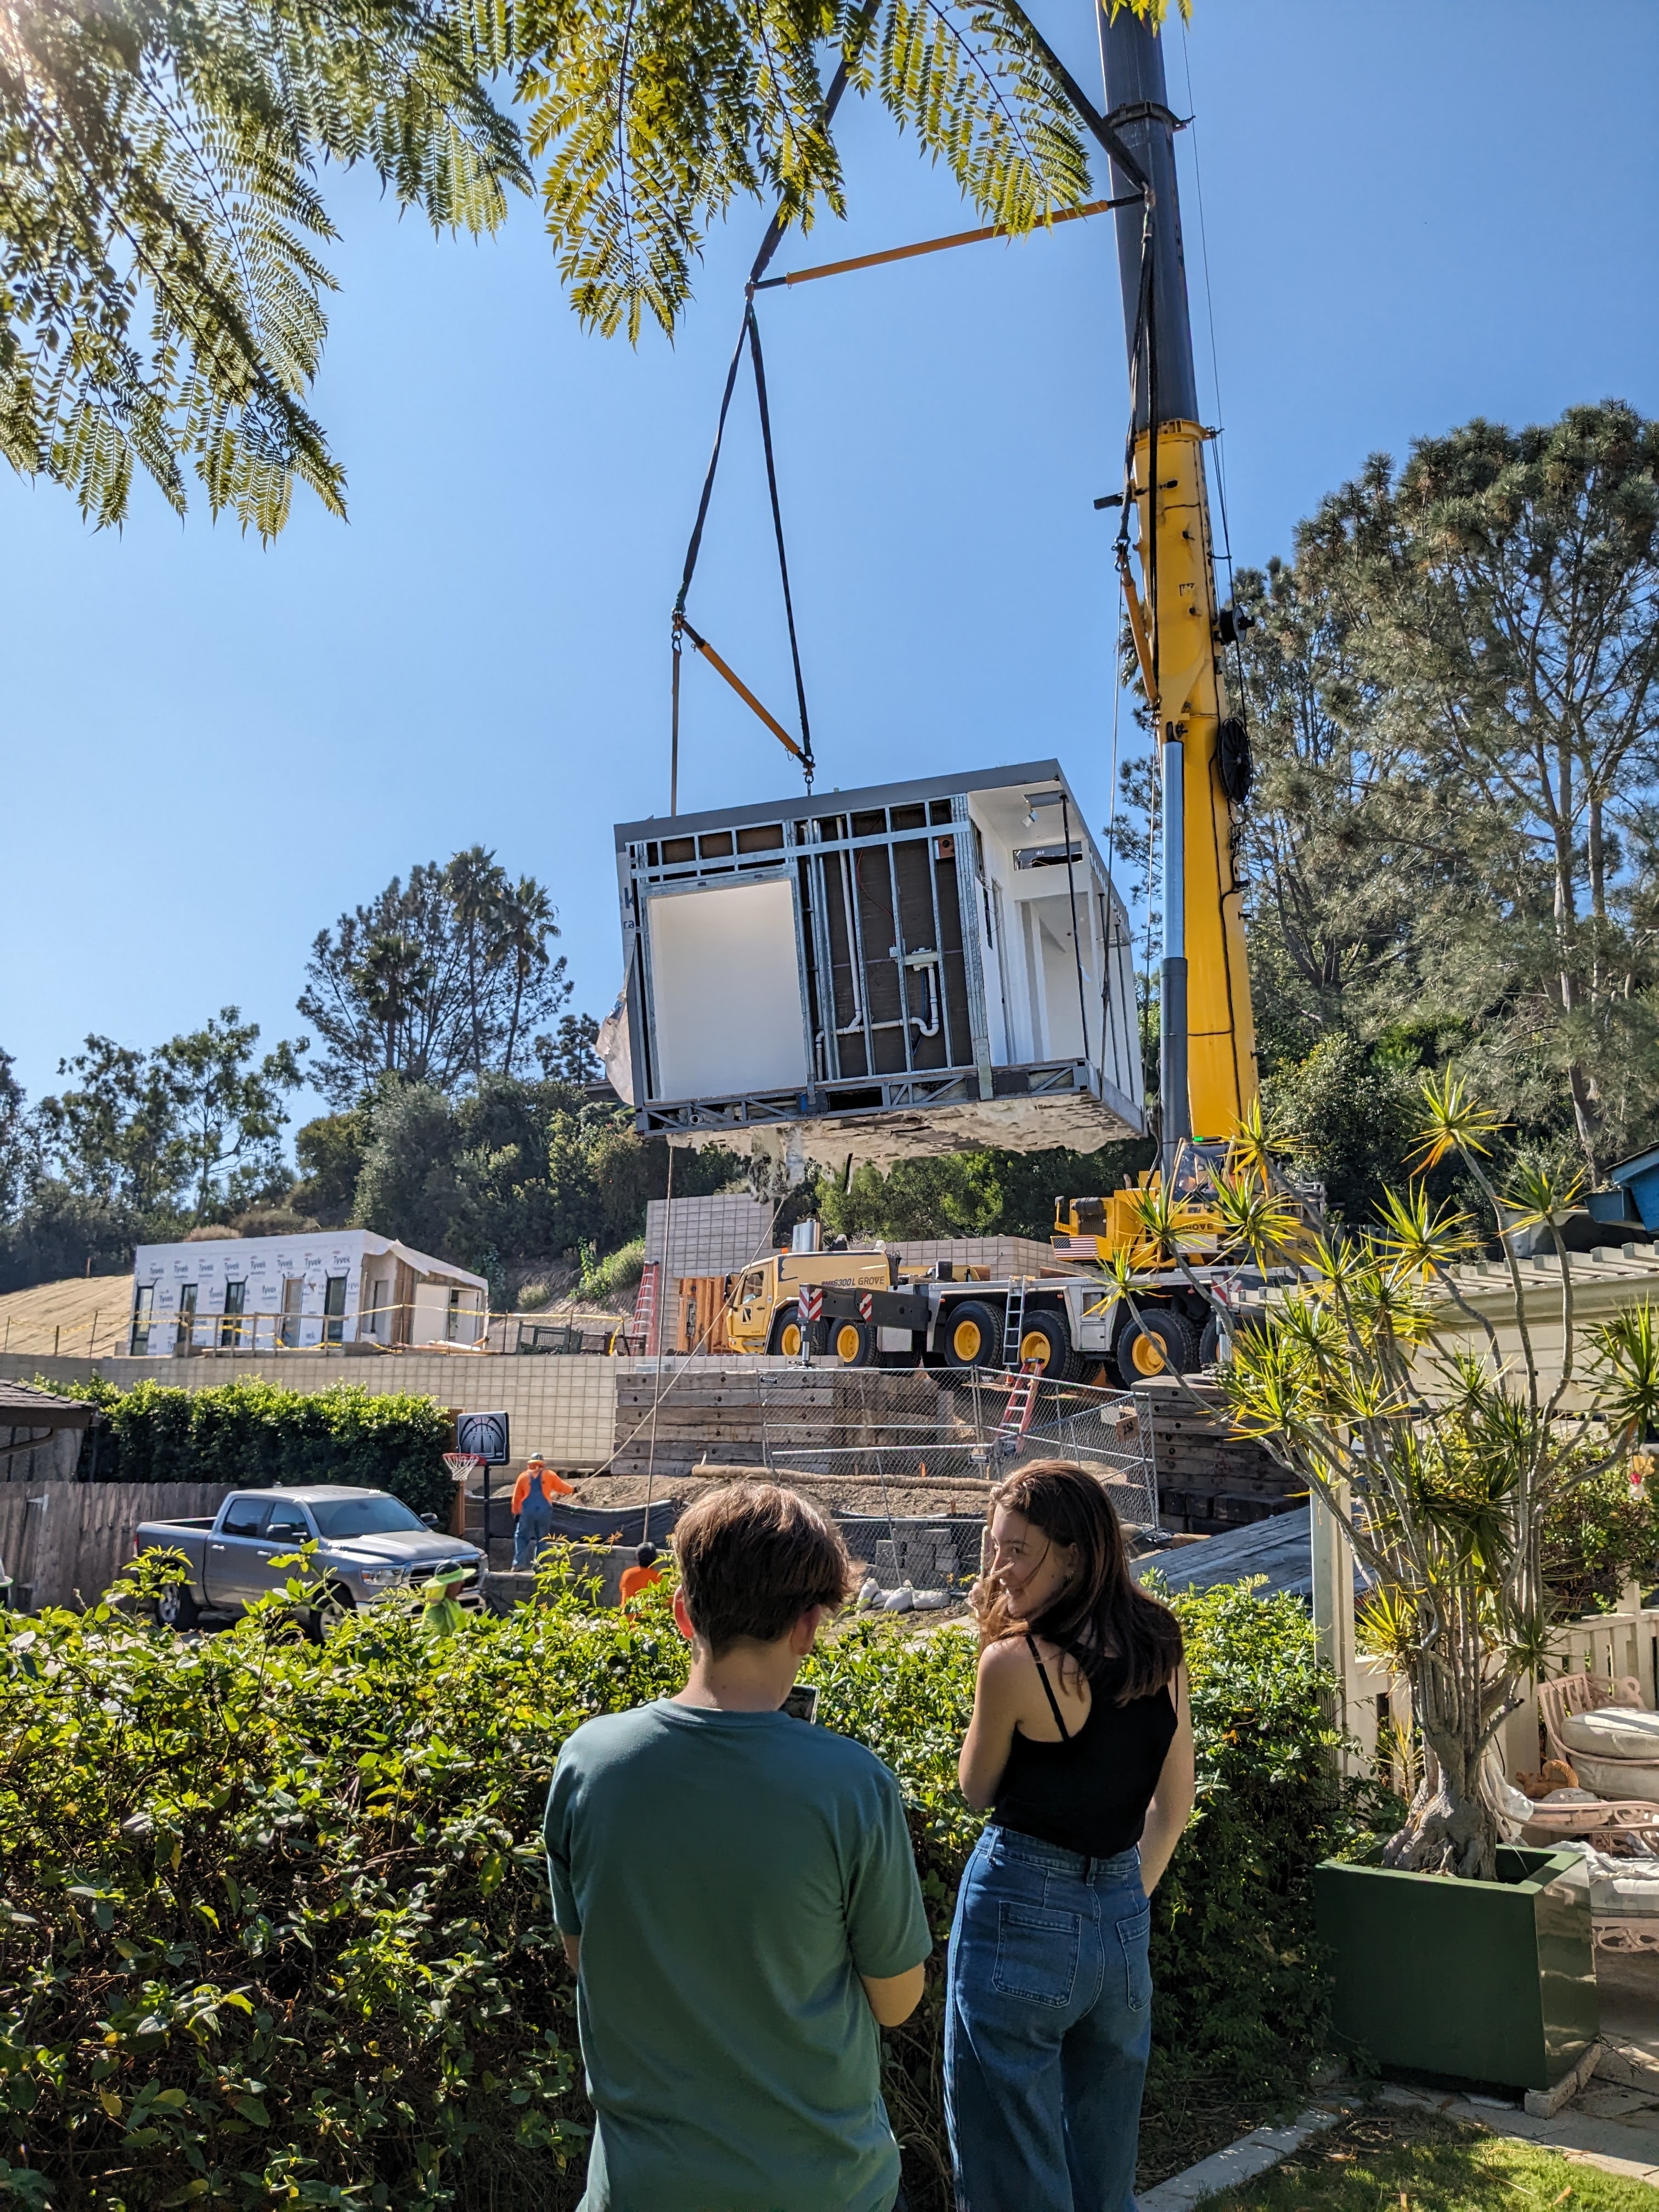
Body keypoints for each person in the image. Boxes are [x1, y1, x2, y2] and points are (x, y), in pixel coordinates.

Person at [544, 1480, 931, 2212]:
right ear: (808, 1627)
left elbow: (582, 1954)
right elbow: (897, 2001)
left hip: (639, 2190)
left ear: (683, 1611)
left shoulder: (589, 1763)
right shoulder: (852, 1786)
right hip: (823, 2188)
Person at [945, 1460, 1196, 2212]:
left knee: (1009, 2164)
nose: (998, 1568)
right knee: (1102, 2168)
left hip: (1018, 1908)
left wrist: (995, 1635)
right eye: (995, 1548)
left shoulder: (1015, 1664)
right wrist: (1119, 1900)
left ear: (1075, 1551)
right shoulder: (1160, 1645)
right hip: (1120, 1921)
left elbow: (975, 1789)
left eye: (1016, 1550)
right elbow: (1174, 1805)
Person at [511, 1453, 574, 1570]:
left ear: (530, 1464)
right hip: (544, 1510)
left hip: (527, 1510)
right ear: (543, 1464)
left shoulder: (523, 1477)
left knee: (521, 1536)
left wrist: (516, 1512)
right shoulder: (550, 1475)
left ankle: (518, 1564)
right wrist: (573, 1489)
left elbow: (516, 1497)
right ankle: (539, 1566)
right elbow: (563, 1488)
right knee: (542, 1538)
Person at [618, 1542, 662, 1606]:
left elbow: (622, 1590)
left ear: (638, 1557)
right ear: (655, 1559)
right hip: (650, 1615)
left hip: (627, 1614)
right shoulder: (659, 1577)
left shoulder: (627, 1574)